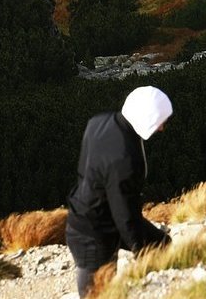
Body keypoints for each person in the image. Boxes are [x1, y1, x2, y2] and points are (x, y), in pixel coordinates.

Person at [65, 86, 174, 297]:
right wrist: (140, 251)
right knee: (97, 293)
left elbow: (85, 169)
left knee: (161, 243)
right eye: (161, 121)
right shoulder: (125, 159)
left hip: (83, 214)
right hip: (93, 234)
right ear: (146, 118)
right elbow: (124, 216)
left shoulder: (98, 122)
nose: (162, 128)